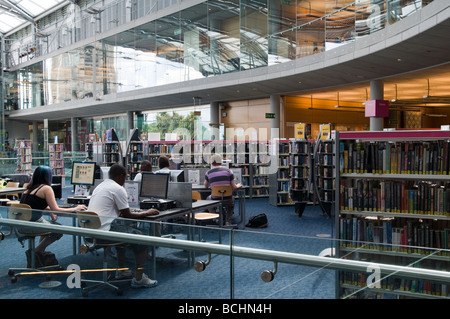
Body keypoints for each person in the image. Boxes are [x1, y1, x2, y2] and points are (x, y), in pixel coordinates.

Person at [87, 163, 160, 288]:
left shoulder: (100, 186)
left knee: (124, 233)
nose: (125, 181)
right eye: (125, 178)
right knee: (142, 239)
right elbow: (127, 215)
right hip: (105, 232)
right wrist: (146, 213)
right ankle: (138, 278)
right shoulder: (117, 188)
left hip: (90, 232)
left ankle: (122, 270)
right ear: (120, 176)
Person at [20, 166, 86, 258]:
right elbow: (57, 210)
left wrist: (50, 210)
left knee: (49, 224)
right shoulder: (46, 188)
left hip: (21, 225)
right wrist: (75, 208)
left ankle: (39, 252)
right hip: (33, 224)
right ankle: (35, 252)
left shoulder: (28, 189)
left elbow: (34, 205)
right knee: (58, 230)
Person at [204, 153, 242, 225]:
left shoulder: (208, 173)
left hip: (215, 198)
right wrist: (238, 185)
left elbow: (205, 186)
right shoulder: (229, 171)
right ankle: (228, 221)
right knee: (231, 201)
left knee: (207, 200)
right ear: (221, 161)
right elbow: (234, 187)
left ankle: (216, 218)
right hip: (227, 198)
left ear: (211, 162)